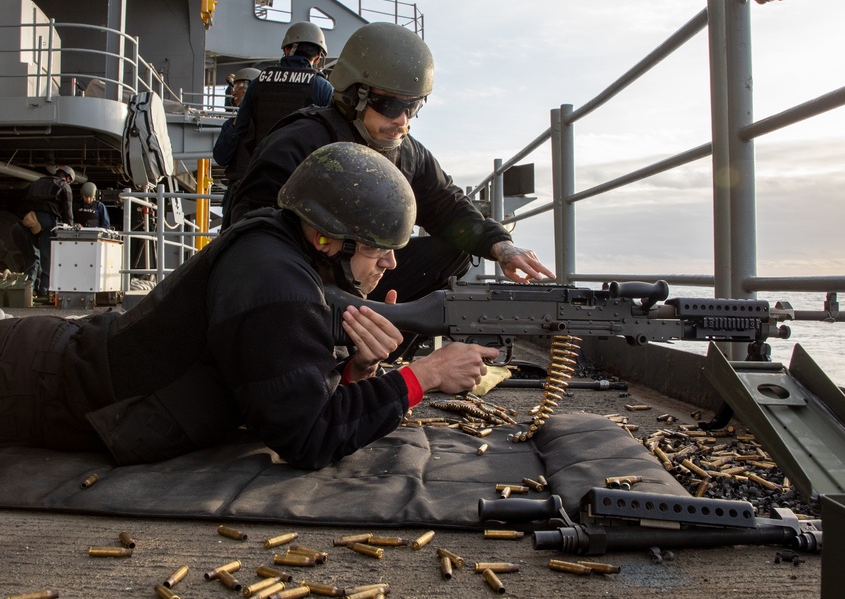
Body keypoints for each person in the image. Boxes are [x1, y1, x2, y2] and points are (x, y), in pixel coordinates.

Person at [0, 143, 494, 469]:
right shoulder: (277, 284)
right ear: (328, 238)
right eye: (374, 247)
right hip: (35, 384)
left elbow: (274, 381)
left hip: (53, 361)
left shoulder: (279, 243)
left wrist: (357, 371)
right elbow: (309, 437)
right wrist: (424, 376)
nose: (389, 262)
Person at [223, 22, 554, 304]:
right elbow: (255, 230)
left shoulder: (407, 153)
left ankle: (379, 351)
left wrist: (501, 246)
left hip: (361, 282)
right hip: (301, 289)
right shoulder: (300, 141)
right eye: (390, 104)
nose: (403, 120)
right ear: (354, 95)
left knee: (454, 252)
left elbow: (445, 204)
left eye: (413, 107)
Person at [231, 21, 334, 163]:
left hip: (264, 167)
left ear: (286, 49)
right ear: (317, 58)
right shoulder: (323, 87)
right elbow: (334, 136)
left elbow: (242, 130)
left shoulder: (258, 82)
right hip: (302, 171)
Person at [21, 165, 75, 298]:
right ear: (67, 177)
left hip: (31, 220)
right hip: (49, 221)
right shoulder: (63, 186)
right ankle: (44, 290)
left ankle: (28, 289)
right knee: (48, 256)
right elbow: (67, 209)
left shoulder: (37, 182)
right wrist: (71, 226)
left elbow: (23, 200)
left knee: (34, 255)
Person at [213, 66, 261, 214]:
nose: (234, 92)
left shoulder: (264, 123)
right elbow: (221, 157)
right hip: (236, 191)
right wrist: (235, 126)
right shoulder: (230, 124)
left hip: (259, 189)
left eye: (239, 86)